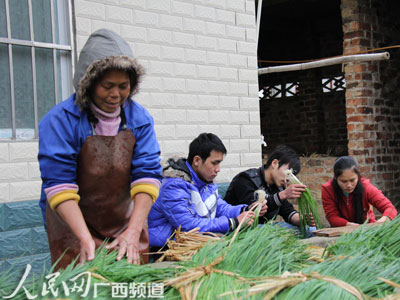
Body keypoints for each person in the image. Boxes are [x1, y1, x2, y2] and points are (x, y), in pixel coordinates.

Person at [38, 29, 162, 269]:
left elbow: (147, 175)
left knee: (128, 282)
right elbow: (59, 183)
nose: (116, 95)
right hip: (72, 221)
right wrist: (83, 238)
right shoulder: (60, 121)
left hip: (125, 219)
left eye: (123, 86)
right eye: (107, 86)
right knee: (81, 284)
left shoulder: (140, 119)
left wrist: (134, 230)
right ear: (89, 82)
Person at [147, 133, 267, 248]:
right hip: (165, 248)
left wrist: (246, 209)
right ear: (197, 161)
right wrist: (232, 222)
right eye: (214, 163)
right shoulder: (173, 186)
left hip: (194, 242)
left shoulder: (206, 182)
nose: (218, 169)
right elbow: (188, 225)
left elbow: (221, 208)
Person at [224, 145, 316, 236]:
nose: (288, 179)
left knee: (310, 229)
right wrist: (282, 195)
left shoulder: (277, 187)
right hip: (241, 229)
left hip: (264, 229)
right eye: (289, 172)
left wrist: (303, 220)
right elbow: (254, 209)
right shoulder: (246, 179)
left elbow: (288, 212)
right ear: (274, 163)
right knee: (275, 230)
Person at [321, 156, 397, 227]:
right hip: (342, 230)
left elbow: (390, 208)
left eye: (352, 180)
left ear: (358, 176)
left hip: (367, 229)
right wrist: (350, 225)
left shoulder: (366, 187)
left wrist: (381, 223)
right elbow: (332, 217)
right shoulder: (328, 189)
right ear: (335, 178)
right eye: (344, 181)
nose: (349, 185)